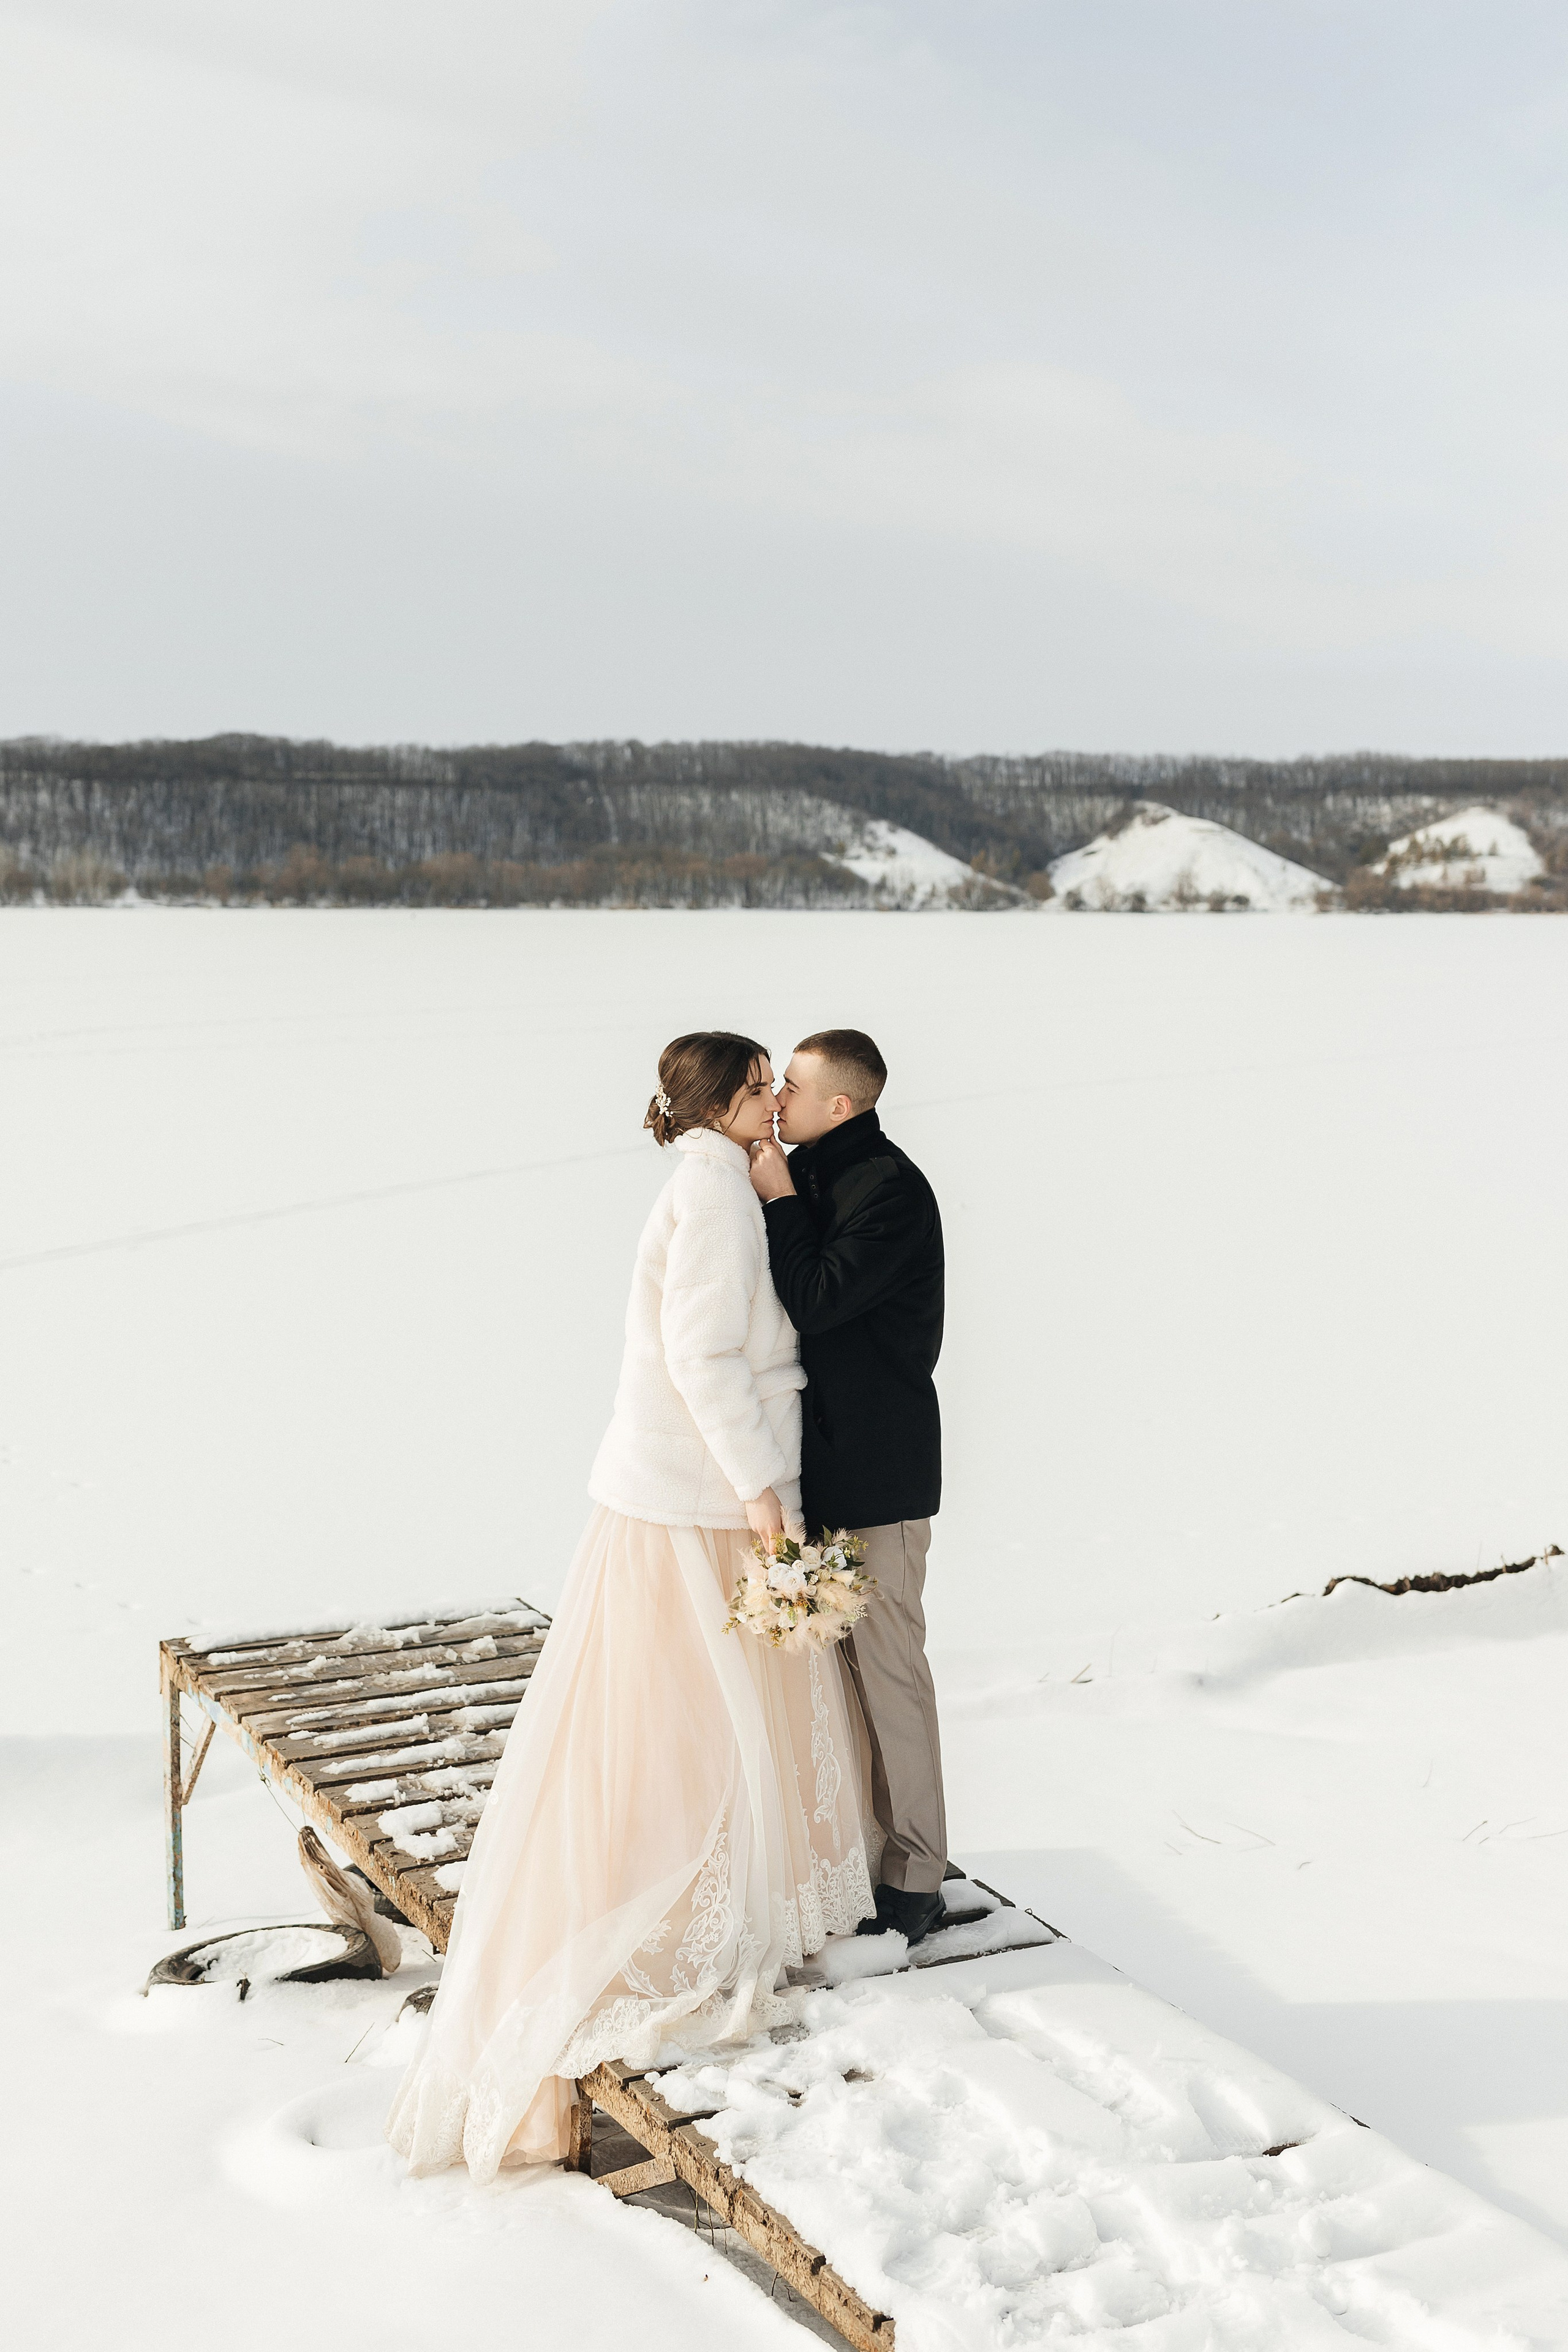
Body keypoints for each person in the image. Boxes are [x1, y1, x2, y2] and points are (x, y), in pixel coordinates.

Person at [386, 1033, 875, 2181]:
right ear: (721, 1102)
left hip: (695, 1488)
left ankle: (720, 1884)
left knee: (706, 1709)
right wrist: (760, 1489)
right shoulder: (713, 1198)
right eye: (758, 1086)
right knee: (689, 1713)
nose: (775, 1101)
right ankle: (667, 1899)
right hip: (699, 1495)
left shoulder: (723, 1183)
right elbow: (701, 1356)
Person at [747, 1029, 948, 1947]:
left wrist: (783, 1203)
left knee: (891, 1678)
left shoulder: (889, 1190)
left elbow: (820, 1298)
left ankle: (916, 1879)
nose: (778, 1099)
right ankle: (858, 1856)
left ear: (842, 1105)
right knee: (834, 1685)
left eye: (793, 1086)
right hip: (814, 1471)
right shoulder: (814, 1173)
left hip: (879, 1474)